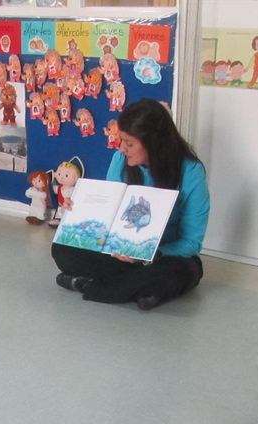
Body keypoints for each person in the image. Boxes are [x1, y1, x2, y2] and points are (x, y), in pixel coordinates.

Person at [51, 99, 210, 310]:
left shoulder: (191, 172)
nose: (121, 148)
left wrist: (148, 255)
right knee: (61, 248)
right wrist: (79, 209)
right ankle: (143, 292)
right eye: (121, 140)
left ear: (154, 142)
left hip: (161, 256)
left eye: (130, 143)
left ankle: (88, 285)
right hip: (118, 252)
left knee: (184, 270)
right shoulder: (119, 160)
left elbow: (191, 242)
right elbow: (108, 215)